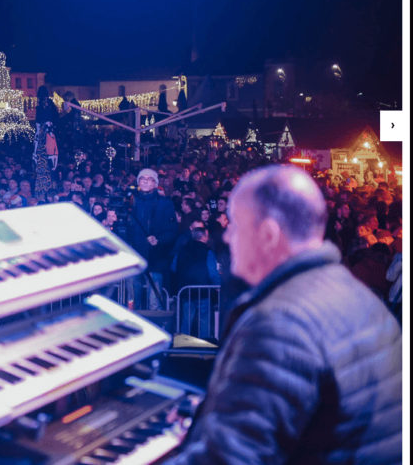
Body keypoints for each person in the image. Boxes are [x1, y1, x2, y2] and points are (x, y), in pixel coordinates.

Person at [166, 165, 401, 465]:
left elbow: (230, 458)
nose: (226, 238)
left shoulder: (279, 323)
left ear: (268, 235)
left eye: (235, 226)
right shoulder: (359, 296)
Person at [127, 168, 177, 309]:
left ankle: (156, 327)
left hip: (155, 258)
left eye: (150, 179)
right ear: (138, 182)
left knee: (154, 302)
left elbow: (172, 230)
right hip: (134, 257)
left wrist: (158, 239)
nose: (146, 181)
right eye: (143, 179)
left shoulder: (165, 203)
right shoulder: (131, 201)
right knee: (132, 302)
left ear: (155, 183)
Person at [170, 224, 221, 338]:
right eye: (207, 237)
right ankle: (203, 349)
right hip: (203, 291)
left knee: (186, 319)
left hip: (185, 290)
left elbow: (173, 267)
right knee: (204, 320)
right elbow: (213, 273)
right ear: (203, 237)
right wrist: (218, 285)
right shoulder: (208, 251)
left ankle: (184, 348)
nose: (208, 239)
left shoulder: (182, 250)